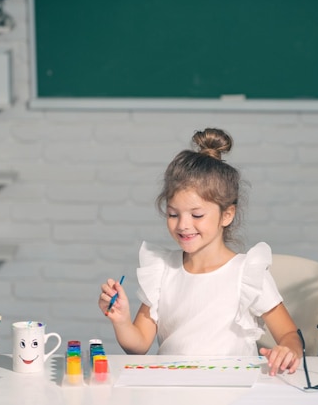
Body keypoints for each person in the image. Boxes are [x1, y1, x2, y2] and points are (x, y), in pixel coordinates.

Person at [99, 128, 302, 376]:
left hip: (232, 390)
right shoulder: (163, 269)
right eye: (173, 214)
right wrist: (120, 319)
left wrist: (288, 350)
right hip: (172, 389)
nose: (183, 224)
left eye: (197, 215)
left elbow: (290, 335)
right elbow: (138, 346)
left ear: (227, 215)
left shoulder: (247, 273)